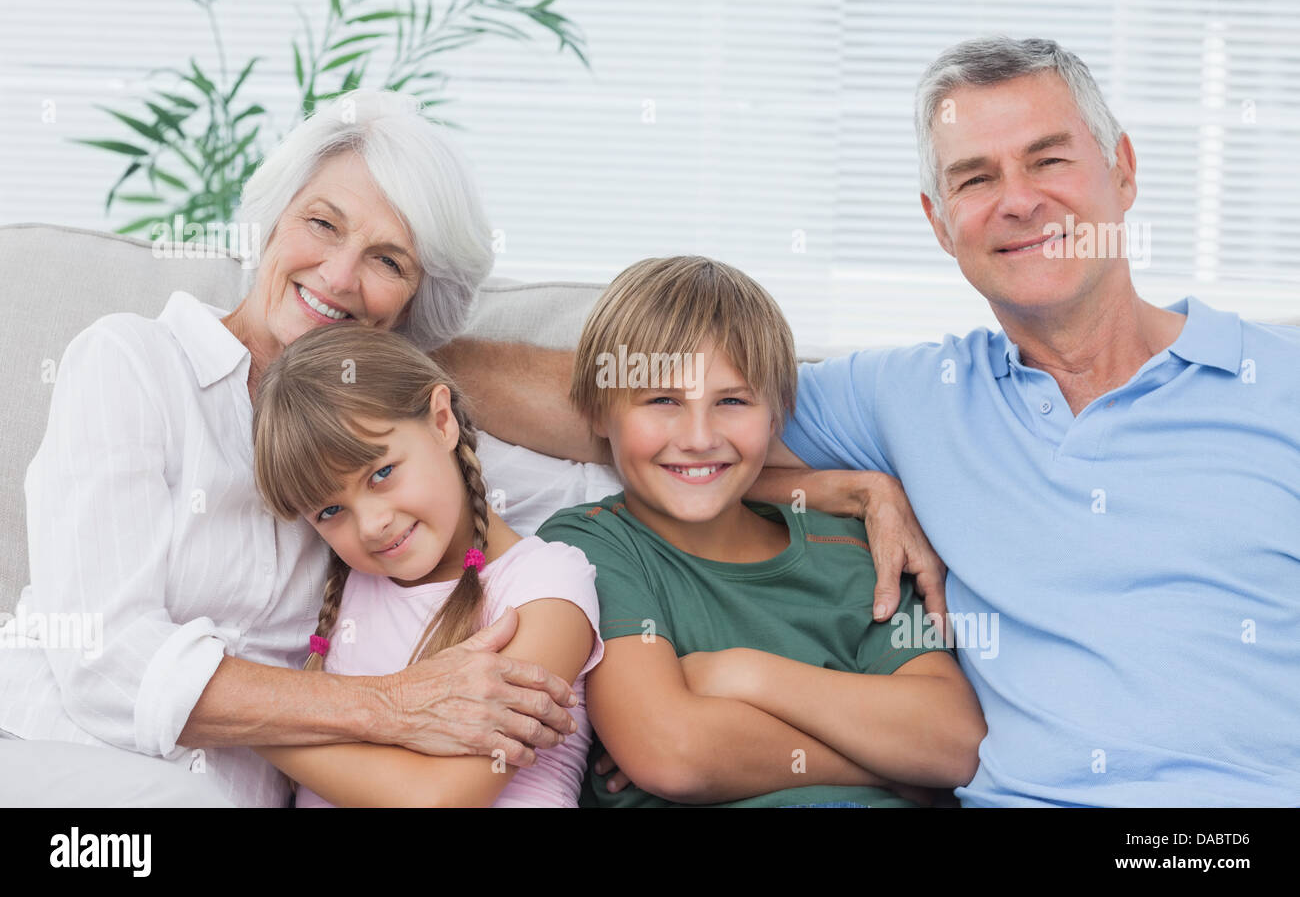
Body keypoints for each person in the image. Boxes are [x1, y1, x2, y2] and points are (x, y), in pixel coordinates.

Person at [434, 38, 1300, 807]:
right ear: (938, 222)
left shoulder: (1277, 385)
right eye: (975, 178)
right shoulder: (910, 395)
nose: (1018, 201)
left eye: (1048, 160)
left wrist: (735, 672)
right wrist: (846, 484)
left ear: (1125, 172)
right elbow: (669, 417)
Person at [0, 90, 587, 807]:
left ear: (411, 307)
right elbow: (104, 658)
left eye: (388, 262)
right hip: (52, 761)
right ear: (274, 220)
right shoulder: (129, 362)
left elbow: (642, 457)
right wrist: (395, 703)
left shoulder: (403, 446)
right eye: (321, 223)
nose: (339, 277)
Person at [534, 256, 986, 807]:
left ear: (777, 416)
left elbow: (958, 744)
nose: (699, 437)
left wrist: (739, 674)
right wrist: (892, 768)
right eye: (662, 401)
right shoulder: (592, 547)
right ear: (598, 414)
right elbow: (673, 752)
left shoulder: (850, 551)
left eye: (732, 401)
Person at [248, 325, 602, 807]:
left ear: (441, 422)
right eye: (330, 512)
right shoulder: (348, 592)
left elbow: (438, 799)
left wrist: (248, 719)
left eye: (382, 473)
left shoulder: (546, 584)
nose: (372, 525)